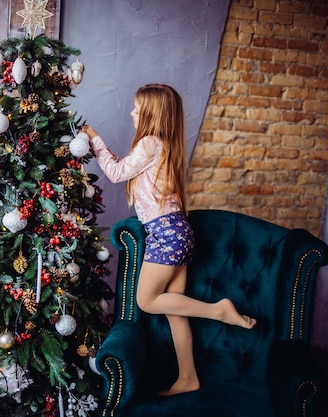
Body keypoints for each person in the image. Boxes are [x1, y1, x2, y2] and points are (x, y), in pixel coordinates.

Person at [82, 83, 256, 396]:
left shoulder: (150, 143)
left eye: (137, 108)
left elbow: (117, 172)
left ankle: (220, 310)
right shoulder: (165, 145)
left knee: (146, 301)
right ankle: (188, 377)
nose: (132, 113)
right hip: (179, 231)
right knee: (175, 313)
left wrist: (94, 139)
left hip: (166, 234)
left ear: (151, 113)